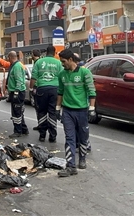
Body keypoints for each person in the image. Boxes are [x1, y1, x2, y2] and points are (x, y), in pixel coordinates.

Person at [56, 49, 96, 177]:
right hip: (67, 111)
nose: (62, 64)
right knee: (69, 138)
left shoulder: (85, 73)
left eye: (63, 61)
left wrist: (92, 109)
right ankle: (71, 166)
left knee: (83, 137)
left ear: (71, 60)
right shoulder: (62, 74)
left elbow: (91, 91)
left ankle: (82, 159)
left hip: (82, 111)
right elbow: (60, 92)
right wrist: (57, 108)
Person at [30, 46, 63, 142]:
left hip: (42, 89)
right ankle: (53, 136)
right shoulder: (58, 63)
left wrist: (31, 89)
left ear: (46, 53)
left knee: (42, 112)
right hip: (54, 89)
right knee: (52, 112)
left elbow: (33, 77)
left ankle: (42, 135)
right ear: (54, 53)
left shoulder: (39, 62)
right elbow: (61, 77)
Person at [7, 51, 29, 138]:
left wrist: (16, 93)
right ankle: (24, 129)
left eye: (8, 58)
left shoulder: (16, 66)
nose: (8, 60)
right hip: (17, 91)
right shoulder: (16, 65)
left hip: (17, 92)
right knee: (19, 112)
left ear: (11, 57)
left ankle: (17, 131)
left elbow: (19, 81)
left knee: (16, 113)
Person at [74, 53, 92, 152]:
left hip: (82, 103)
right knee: (80, 127)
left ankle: (85, 145)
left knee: (81, 127)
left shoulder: (83, 71)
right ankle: (82, 144)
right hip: (79, 103)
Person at [31, 49, 42, 131]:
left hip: (38, 87)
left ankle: (41, 124)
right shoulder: (41, 62)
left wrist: (31, 88)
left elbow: (34, 77)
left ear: (33, 55)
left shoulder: (37, 63)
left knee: (38, 108)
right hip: (42, 87)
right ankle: (41, 124)